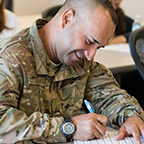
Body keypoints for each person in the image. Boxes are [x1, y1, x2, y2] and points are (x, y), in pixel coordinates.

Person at [0, 0, 144, 144]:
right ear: (67, 19)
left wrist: (131, 118)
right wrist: (68, 127)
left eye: (98, 47)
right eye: (89, 41)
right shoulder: (9, 57)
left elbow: (111, 97)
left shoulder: (79, 60)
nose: (91, 55)